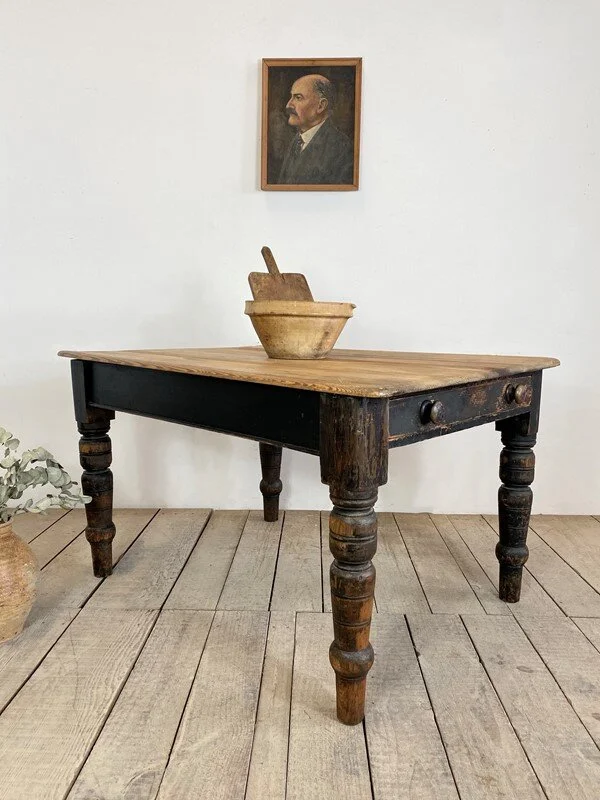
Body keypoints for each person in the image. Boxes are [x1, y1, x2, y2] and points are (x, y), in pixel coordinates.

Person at [277, 74, 354, 185]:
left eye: (298, 98)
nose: (288, 105)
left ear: (321, 106)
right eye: (291, 97)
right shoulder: (297, 141)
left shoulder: (342, 149)